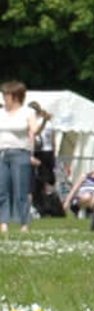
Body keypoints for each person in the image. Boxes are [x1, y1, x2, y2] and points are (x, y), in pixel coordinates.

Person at [0, 83, 47, 234]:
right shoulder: (1, 112)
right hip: (2, 153)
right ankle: (3, 223)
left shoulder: (27, 113)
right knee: (2, 190)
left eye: (6, 95)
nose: (4, 97)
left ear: (15, 96)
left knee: (21, 190)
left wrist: (44, 121)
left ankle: (24, 224)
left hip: (20, 153)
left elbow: (34, 131)